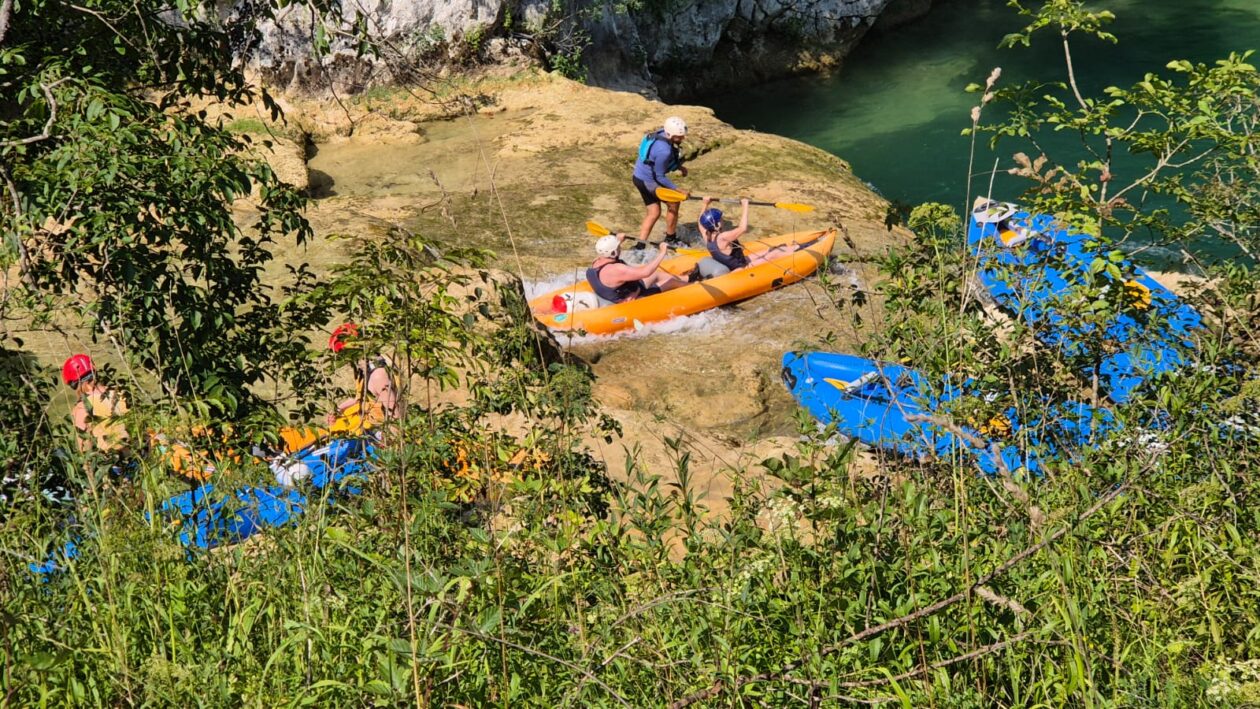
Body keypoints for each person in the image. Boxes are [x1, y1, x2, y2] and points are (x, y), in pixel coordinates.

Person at [699, 197, 801, 272]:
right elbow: (743, 228)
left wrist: (705, 204)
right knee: (774, 254)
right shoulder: (722, 237)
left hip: (738, 263)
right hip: (742, 269)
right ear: (716, 224)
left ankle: (792, 248)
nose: (723, 220)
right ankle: (802, 249)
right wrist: (745, 206)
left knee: (769, 250)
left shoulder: (707, 236)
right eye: (721, 219)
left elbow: (700, 222)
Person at [632, 116, 689, 246]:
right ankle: (671, 239)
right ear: (669, 134)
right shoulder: (664, 150)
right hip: (648, 181)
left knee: (654, 212)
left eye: (682, 136)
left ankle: (640, 245)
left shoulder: (660, 133)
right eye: (679, 137)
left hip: (638, 177)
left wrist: (678, 167)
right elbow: (660, 177)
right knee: (674, 202)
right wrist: (678, 190)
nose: (682, 139)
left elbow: (655, 160)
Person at [586, 234, 688, 305]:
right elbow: (646, 272)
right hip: (630, 300)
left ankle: (686, 278)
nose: (620, 248)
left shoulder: (596, 262)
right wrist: (662, 253)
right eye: (618, 247)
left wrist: (618, 240)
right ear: (613, 252)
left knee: (656, 275)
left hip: (623, 291)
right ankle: (691, 287)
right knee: (670, 281)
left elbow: (610, 253)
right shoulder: (617, 269)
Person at [63, 354, 130, 456]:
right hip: (138, 453)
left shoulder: (81, 408)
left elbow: (85, 448)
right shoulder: (120, 392)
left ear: (77, 384)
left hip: (111, 461)